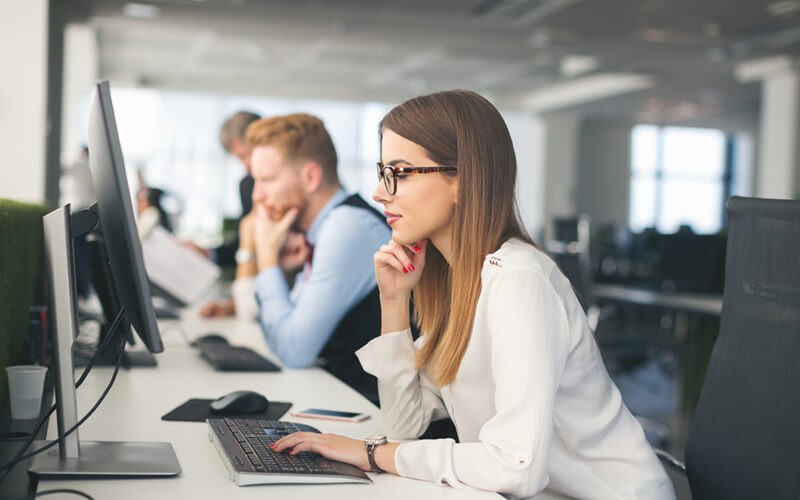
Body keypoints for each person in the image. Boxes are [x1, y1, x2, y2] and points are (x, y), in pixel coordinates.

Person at [270, 90, 675, 500]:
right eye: (383, 171)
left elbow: (515, 466)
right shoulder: (460, 279)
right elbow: (404, 425)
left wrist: (372, 454)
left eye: (400, 172)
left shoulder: (519, 279)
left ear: (463, 181)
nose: (380, 192)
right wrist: (393, 303)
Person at [243, 113, 390, 404]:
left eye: (267, 180)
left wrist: (267, 258)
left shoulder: (346, 227)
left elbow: (294, 349)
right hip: (350, 399)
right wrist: (282, 275)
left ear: (310, 177)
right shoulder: (321, 231)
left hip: (378, 416)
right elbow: (280, 334)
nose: (257, 195)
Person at [199, 111, 261, 318]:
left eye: (247, 154)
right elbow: (247, 243)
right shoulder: (247, 185)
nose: (246, 165)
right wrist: (208, 253)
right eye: (239, 158)